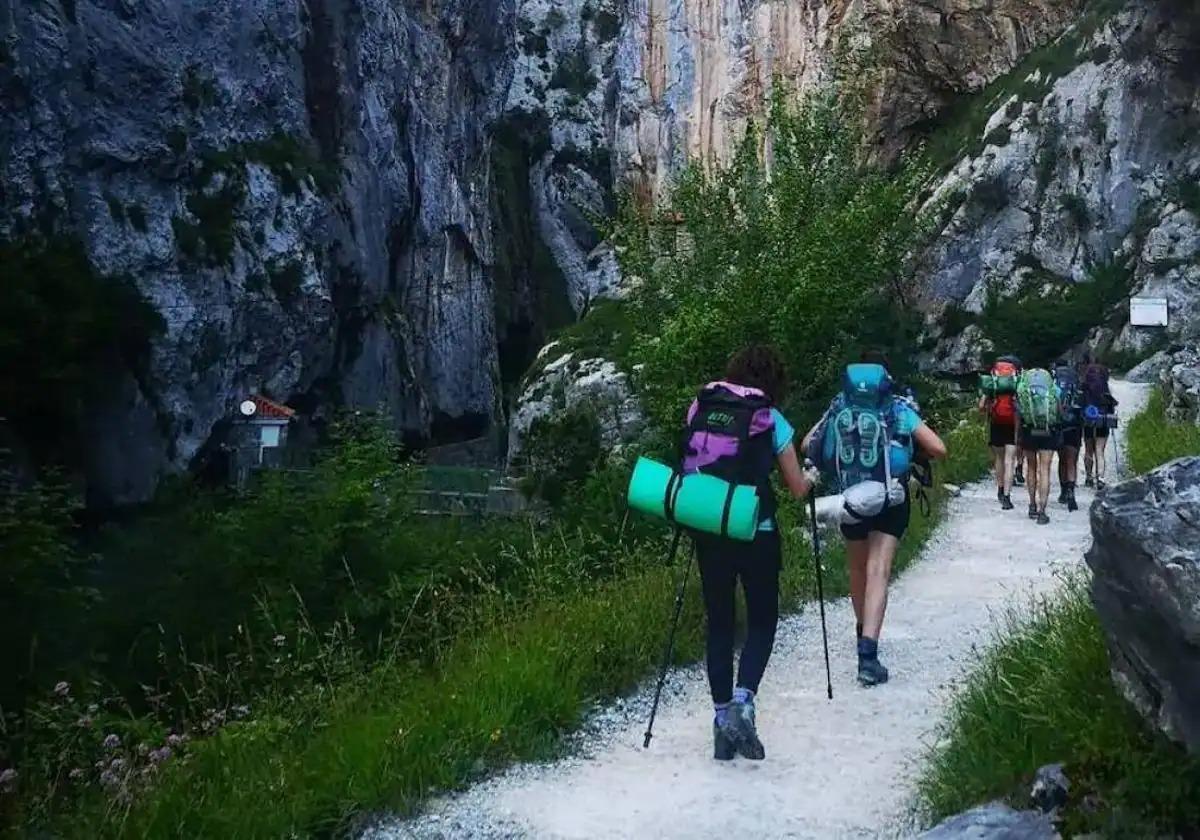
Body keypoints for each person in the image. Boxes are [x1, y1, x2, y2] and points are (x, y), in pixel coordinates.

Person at [681, 345, 818, 761]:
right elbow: (796, 489)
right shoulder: (771, 419)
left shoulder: (700, 406)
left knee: (720, 623)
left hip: (709, 527)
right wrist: (812, 476)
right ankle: (743, 701)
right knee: (761, 620)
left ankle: (722, 722)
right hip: (756, 529)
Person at [802, 351, 947, 687]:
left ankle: (861, 633)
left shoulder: (840, 405)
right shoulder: (897, 408)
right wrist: (912, 449)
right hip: (890, 497)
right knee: (879, 570)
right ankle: (869, 654)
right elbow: (939, 448)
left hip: (850, 498)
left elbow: (808, 443)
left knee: (857, 569)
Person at [1016, 365, 1061, 524]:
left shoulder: (1023, 386)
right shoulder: (1053, 388)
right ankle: (1043, 511)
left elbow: (1019, 410)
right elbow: (1059, 410)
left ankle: (1032, 505)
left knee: (1031, 468)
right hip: (1048, 431)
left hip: (1029, 431)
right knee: (1045, 470)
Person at [979, 354, 1021, 510]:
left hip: (996, 423)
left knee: (999, 458)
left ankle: (1000, 489)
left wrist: (988, 409)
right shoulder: (1015, 384)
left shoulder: (993, 384)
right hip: (1012, 424)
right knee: (1010, 460)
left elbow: (981, 406)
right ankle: (1007, 497)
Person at [1079, 352, 1117, 489]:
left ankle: (1089, 477)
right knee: (1100, 449)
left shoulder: (1084, 386)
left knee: (1088, 449)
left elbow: (1080, 403)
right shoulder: (1106, 389)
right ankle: (1100, 477)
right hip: (1103, 418)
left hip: (1089, 418)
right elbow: (1113, 405)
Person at [1052, 358, 1082, 511]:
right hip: (1075, 422)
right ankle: (1071, 490)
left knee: (1062, 459)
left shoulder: (1054, 378)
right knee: (1072, 460)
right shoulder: (1076, 378)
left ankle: (1063, 491)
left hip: (1060, 422)